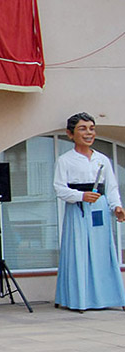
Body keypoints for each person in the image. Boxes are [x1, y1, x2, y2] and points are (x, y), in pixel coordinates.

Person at [53, 112, 125, 311]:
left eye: (91, 129)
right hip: (78, 210)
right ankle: (79, 298)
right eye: (83, 129)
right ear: (70, 134)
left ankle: (109, 296)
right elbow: (59, 188)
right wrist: (81, 196)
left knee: (103, 251)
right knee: (78, 251)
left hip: (99, 208)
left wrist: (116, 206)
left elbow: (111, 187)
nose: (88, 133)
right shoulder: (65, 160)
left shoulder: (102, 159)